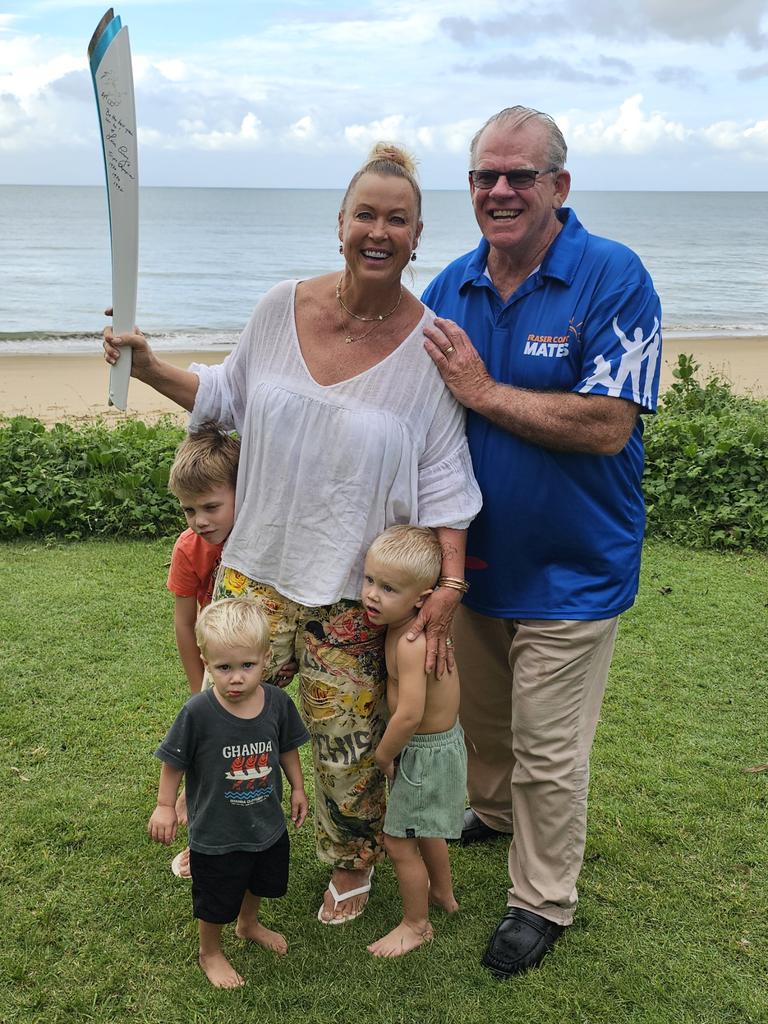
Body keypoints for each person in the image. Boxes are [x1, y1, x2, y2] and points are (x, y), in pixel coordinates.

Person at [104, 142, 482, 924]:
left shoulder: (431, 345)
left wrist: (448, 585)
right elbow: (223, 394)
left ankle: (351, 864)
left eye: (398, 220)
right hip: (256, 571)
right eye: (366, 215)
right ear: (340, 223)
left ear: (417, 238)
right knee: (226, 716)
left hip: (358, 595)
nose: (379, 231)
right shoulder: (281, 306)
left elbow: (447, 483)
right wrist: (147, 367)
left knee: (347, 750)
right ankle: (219, 829)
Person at [419, 106, 662, 977]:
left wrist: (484, 392)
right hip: (473, 569)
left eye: (521, 175)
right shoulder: (449, 288)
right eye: (486, 175)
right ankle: (489, 813)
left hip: (575, 568)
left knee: (550, 754)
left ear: (559, 186)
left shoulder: (613, 277)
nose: (501, 190)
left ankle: (542, 899)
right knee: (486, 733)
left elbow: (605, 425)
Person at [148, 598, 309, 989]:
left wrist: (299, 788)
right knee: (216, 894)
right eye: (224, 668)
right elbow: (174, 761)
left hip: (265, 822)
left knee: (261, 878)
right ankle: (210, 951)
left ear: (266, 658)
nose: (236, 678)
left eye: (247, 666)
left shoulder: (277, 703)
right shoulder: (198, 712)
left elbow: (287, 746)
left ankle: (248, 923)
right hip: (216, 831)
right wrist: (165, 806)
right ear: (206, 663)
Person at [361, 525, 466, 957]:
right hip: (442, 745)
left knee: (400, 840)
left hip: (422, 751)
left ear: (422, 599)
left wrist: (384, 754)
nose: (371, 595)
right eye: (369, 580)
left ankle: (416, 924)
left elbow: (409, 713)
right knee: (426, 828)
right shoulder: (405, 625)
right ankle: (443, 894)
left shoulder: (408, 641)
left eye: (388, 588)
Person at [167, 422, 240, 694]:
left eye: (211, 507)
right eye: (189, 510)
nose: (200, 521)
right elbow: (184, 623)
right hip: (218, 657)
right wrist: (198, 690)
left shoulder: (262, 538)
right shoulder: (187, 549)